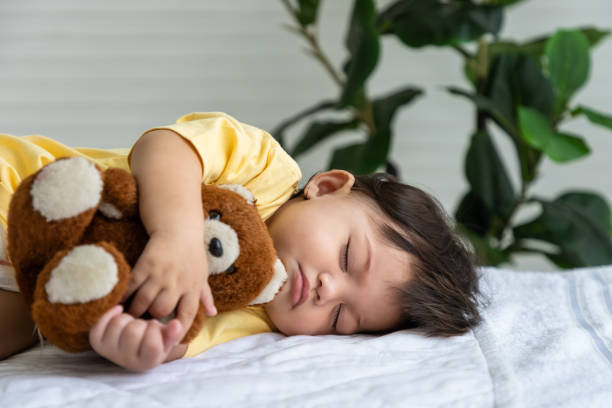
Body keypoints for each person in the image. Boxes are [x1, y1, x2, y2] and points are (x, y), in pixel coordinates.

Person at [0, 112, 481, 371]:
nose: (326, 290)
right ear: (328, 187)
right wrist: (178, 236)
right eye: (347, 257)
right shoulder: (265, 170)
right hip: (24, 191)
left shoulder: (255, 316)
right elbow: (164, 148)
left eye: (340, 319)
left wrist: (138, 347)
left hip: (30, 293)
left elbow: (182, 337)